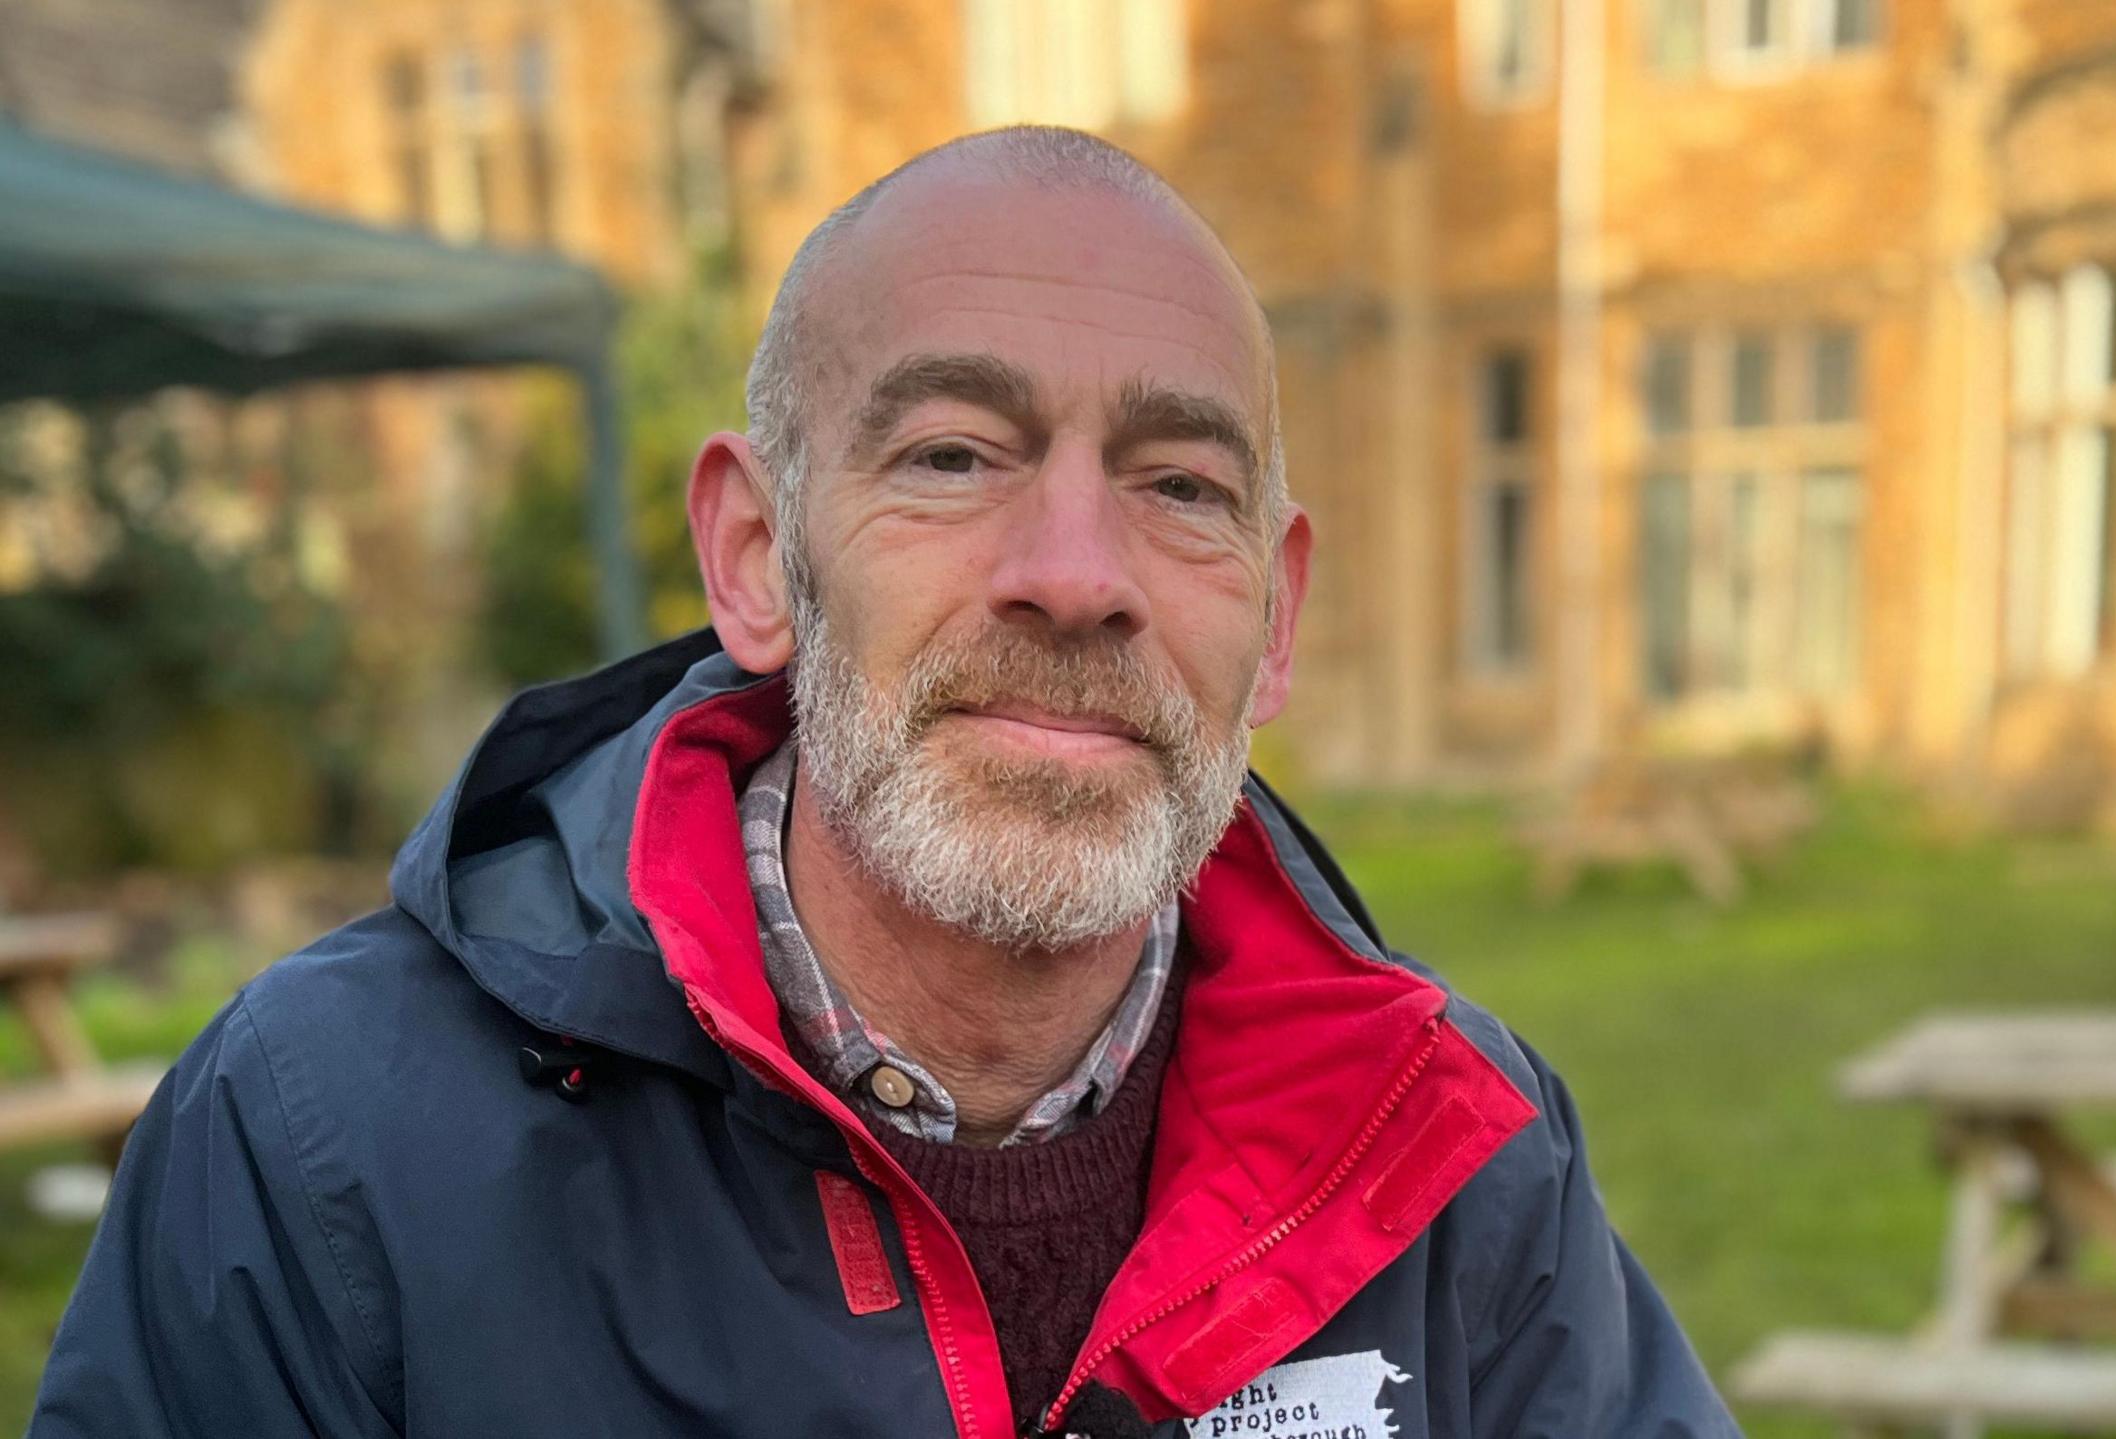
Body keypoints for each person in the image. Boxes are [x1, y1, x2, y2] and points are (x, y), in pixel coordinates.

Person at [34, 128, 1737, 1438]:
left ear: (1274, 617)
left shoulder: (1452, 1160)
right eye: (953, 455)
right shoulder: (329, 1145)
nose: (1078, 572)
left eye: (1179, 482)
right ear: (761, 554)